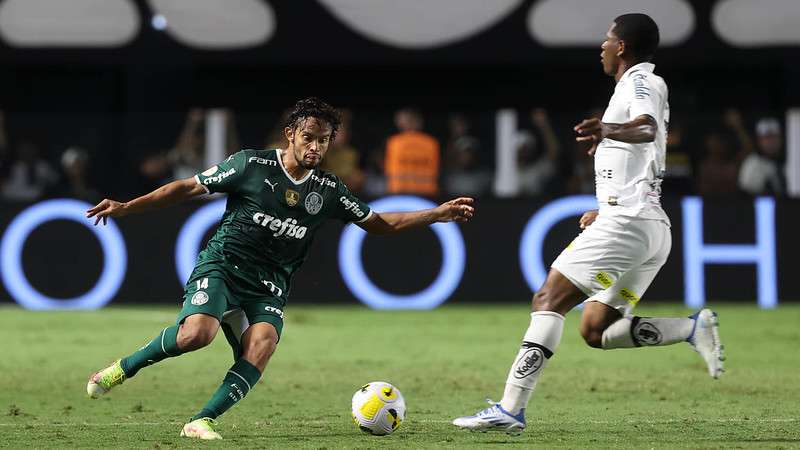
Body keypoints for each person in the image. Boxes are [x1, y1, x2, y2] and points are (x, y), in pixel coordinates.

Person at [85, 98, 475, 440]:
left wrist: (435, 214)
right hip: (224, 265)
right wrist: (126, 207)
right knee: (196, 336)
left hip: (269, 285)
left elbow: (379, 223)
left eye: (324, 140)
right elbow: (186, 187)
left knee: (263, 344)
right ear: (290, 133)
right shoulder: (251, 165)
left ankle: (201, 421)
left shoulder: (328, 189)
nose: (316, 146)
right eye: (309, 137)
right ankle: (122, 369)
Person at [453, 14, 723, 434]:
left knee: (548, 299)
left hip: (630, 222)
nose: (601, 46)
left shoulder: (640, 82)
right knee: (597, 329)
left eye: (607, 38)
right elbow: (642, 150)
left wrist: (607, 127)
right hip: (647, 223)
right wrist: (608, 203)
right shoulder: (631, 86)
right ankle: (691, 328)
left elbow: (649, 129)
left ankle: (510, 409)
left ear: (623, 47)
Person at [384, 108, 440, 196]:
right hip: (427, 194)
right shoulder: (431, 143)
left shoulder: (394, 142)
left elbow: (388, 170)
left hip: (399, 192)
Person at [738, 117, 784, 195]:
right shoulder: (752, 163)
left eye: (774, 137)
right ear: (759, 141)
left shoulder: (789, 161)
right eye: (767, 138)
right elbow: (745, 193)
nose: (771, 142)